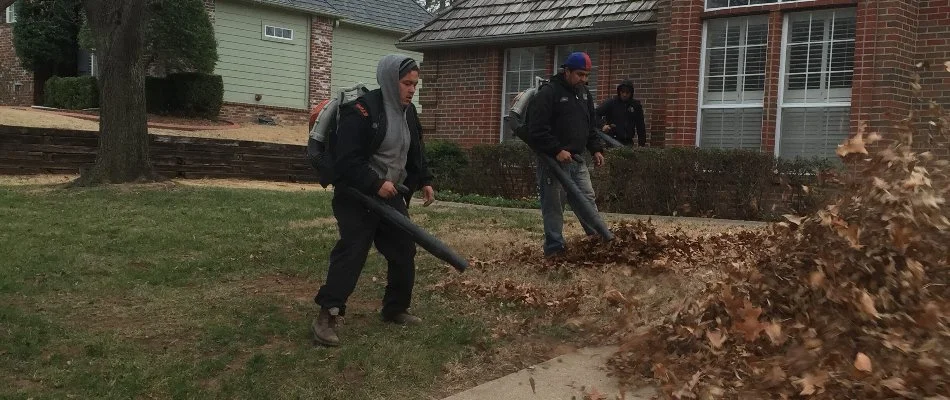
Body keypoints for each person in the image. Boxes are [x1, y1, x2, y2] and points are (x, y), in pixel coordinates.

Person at [311, 54, 434, 347]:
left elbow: (414, 149)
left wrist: (426, 179)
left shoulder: (409, 112)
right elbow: (346, 160)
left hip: (388, 195)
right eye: (406, 83)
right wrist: (375, 183)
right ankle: (326, 316)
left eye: (415, 84)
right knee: (353, 249)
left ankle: (395, 309)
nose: (412, 90)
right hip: (356, 194)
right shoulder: (363, 111)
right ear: (391, 81)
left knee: (403, 248)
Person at [525, 52, 606, 257]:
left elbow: (590, 127)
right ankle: (554, 249)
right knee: (554, 206)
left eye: (587, 75)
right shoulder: (549, 93)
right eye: (580, 74)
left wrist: (595, 148)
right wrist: (556, 150)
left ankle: (598, 241)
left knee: (587, 200)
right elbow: (536, 130)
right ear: (567, 71)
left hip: (577, 162)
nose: (584, 79)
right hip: (553, 163)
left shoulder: (584, 95)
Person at [596, 80, 647, 147]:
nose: (624, 95)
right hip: (611, 140)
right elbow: (595, 114)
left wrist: (641, 145)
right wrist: (602, 125)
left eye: (627, 92)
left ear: (631, 93)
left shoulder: (635, 105)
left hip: (628, 142)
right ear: (619, 92)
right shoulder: (611, 103)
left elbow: (640, 126)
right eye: (622, 92)